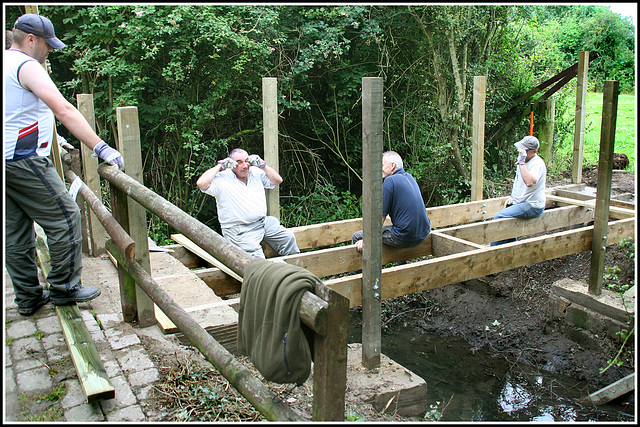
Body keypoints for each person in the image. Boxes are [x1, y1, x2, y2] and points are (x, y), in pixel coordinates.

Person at [5, 14, 125, 316]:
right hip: (24, 160)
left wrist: (52, 137)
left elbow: (18, 111)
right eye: (48, 45)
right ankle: (63, 288)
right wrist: (100, 147)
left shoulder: (6, 63)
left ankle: (29, 298)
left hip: (7, 158)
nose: (50, 52)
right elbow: (64, 109)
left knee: (16, 232)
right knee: (67, 216)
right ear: (31, 40)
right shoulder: (27, 65)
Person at [197, 148, 300, 259]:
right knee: (257, 261)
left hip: (263, 223)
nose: (245, 166)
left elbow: (277, 180)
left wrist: (263, 165)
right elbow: (201, 183)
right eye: (239, 162)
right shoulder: (222, 179)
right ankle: (272, 275)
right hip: (240, 230)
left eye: (247, 161)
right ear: (231, 163)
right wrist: (220, 166)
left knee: (288, 238)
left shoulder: (255, 172)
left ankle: (297, 271)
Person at [352, 151, 431, 253]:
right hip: (423, 234)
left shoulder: (390, 181)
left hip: (405, 237)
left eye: (382, 165)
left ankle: (355, 270)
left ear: (392, 166)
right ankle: (401, 266)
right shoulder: (410, 178)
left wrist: (366, 240)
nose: (380, 168)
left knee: (357, 236)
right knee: (396, 229)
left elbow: (380, 217)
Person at [491, 135, 547, 246]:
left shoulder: (537, 164)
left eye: (525, 150)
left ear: (534, 151)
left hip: (533, 205)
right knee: (508, 224)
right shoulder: (523, 160)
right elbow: (519, 183)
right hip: (521, 202)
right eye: (521, 150)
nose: (521, 153)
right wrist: (513, 198)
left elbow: (529, 182)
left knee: (499, 217)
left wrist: (521, 163)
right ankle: (513, 249)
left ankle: (492, 253)